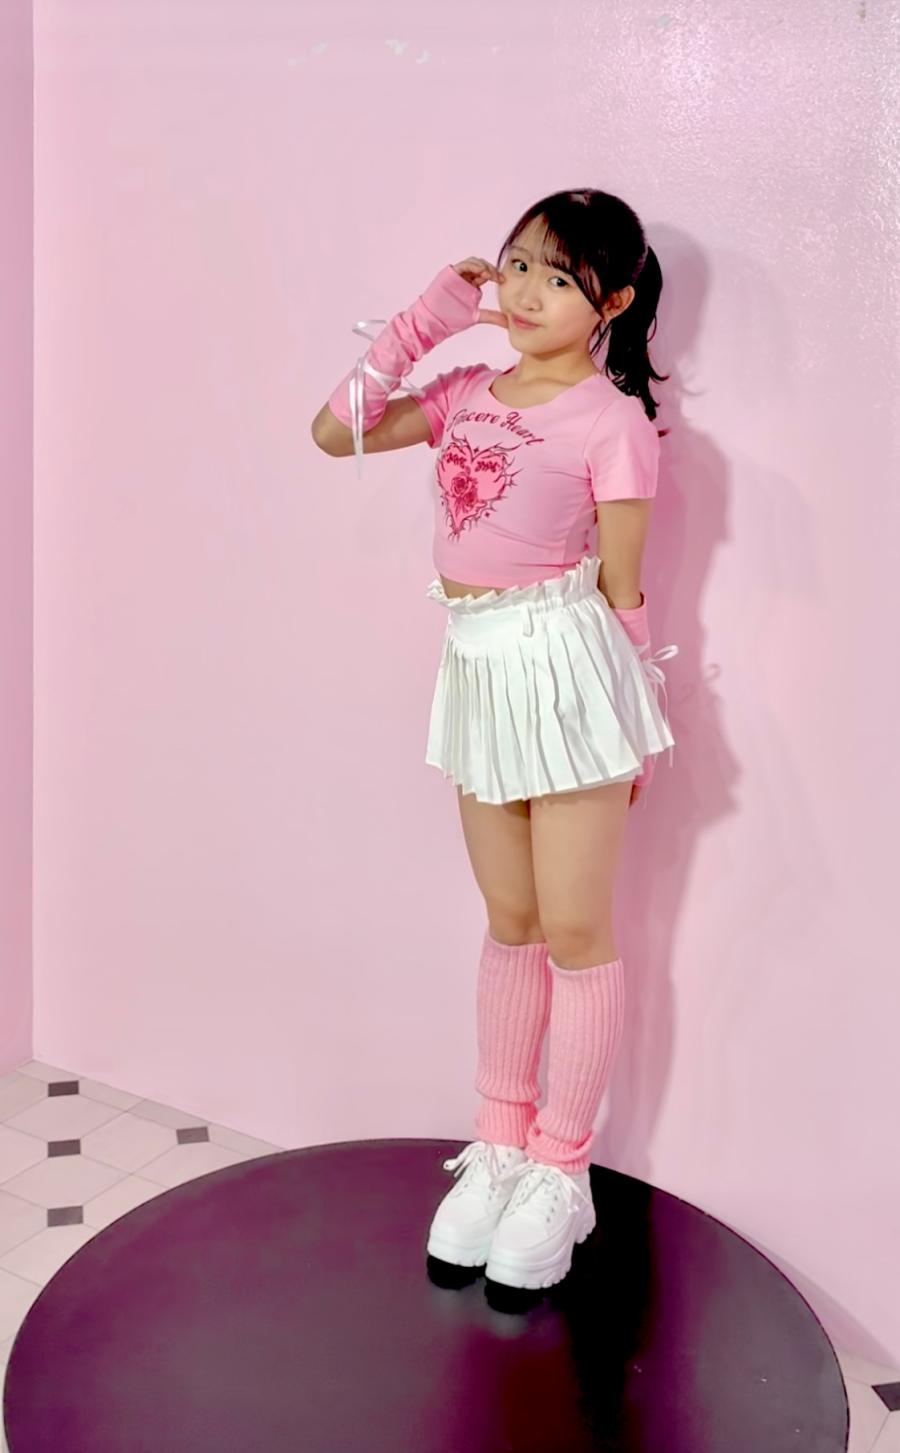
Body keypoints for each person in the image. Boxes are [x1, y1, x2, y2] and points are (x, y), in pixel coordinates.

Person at [311, 188, 679, 1294]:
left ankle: (561, 1170)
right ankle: (501, 1147)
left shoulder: (613, 422)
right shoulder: (465, 388)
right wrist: (422, 322)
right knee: (510, 919)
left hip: (567, 670)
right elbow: (334, 431)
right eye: (517, 264)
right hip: (475, 666)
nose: (524, 292)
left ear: (611, 304)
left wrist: (633, 725)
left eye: (558, 278)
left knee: (574, 927)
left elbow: (624, 587)